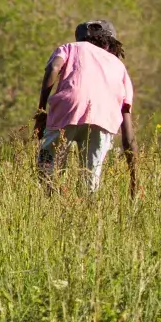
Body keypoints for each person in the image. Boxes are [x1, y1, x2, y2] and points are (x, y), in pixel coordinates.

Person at [35, 20, 139, 196]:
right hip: (104, 120)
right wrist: (134, 179)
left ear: (81, 38)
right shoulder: (119, 67)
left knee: (47, 168)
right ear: (110, 43)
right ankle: (84, 211)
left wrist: (41, 111)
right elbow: (128, 131)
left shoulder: (71, 48)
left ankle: (53, 204)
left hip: (68, 109)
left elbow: (54, 67)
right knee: (90, 179)